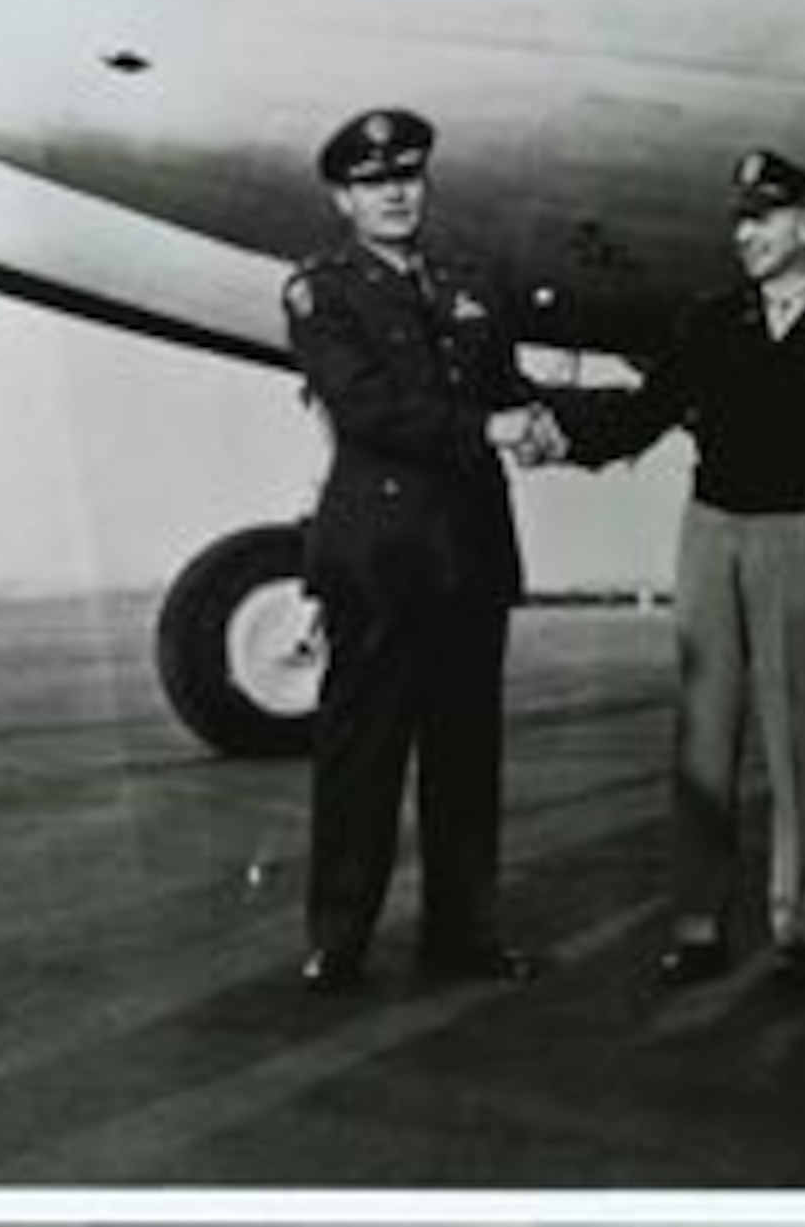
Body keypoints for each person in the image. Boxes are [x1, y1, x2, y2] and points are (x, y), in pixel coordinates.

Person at [544, 150, 805, 987]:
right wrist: (553, 432)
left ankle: (797, 926)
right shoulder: (711, 318)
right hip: (712, 529)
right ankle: (697, 922)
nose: (746, 234)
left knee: (800, 734)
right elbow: (643, 415)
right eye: (740, 220)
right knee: (704, 732)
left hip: (803, 531)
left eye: (764, 218)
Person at [282, 108, 553, 994]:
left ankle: (463, 935)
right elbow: (368, 412)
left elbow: (506, 386)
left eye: (407, 176)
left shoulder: (468, 281)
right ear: (343, 197)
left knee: (465, 758)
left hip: (469, 553)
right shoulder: (322, 290)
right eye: (372, 181)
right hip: (382, 556)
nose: (395, 193)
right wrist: (494, 424)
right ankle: (340, 939)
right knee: (363, 758)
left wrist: (557, 423)